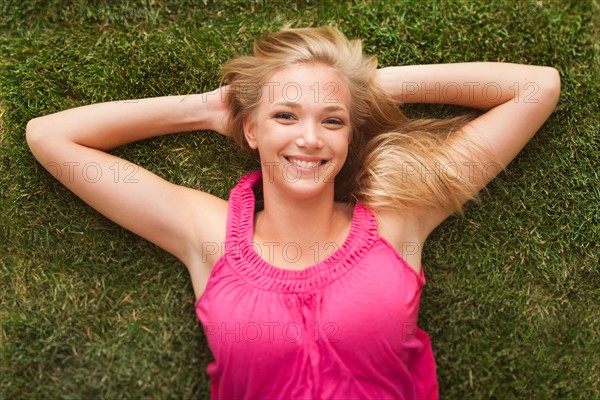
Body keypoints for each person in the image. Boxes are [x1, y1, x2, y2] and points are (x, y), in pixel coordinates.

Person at [26, 26, 560, 399]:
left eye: (332, 121)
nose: (309, 138)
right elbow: (50, 136)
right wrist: (207, 110)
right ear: (252, 131)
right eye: (285, 115)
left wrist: (362, 88)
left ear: (350, 136)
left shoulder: (398, 223)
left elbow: (536, 88)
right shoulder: (209, 236)